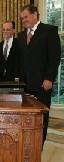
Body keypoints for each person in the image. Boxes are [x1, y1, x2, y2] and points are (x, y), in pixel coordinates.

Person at [18, 4, 61, 146]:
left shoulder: (49, 31)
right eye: (22, 18)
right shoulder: (21, 35)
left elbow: (54, 58)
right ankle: (28, 147)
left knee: (42, 118)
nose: (24, 20)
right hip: (25, 85)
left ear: (35, 15)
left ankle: (39, 147)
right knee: (26, 118)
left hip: (43, 84)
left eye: (26, 17)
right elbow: (21, 60)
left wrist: (49, 78)